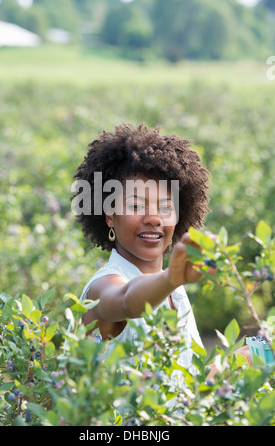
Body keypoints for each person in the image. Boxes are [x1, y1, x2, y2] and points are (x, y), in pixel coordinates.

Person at [70, 123, 250, 376]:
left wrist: (240, 360)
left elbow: (181, 387)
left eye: (166, 207)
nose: (154, 218)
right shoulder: (103, 286)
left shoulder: (175, 294)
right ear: (110, 216)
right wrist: (170, 278)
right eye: (135, 206)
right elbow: (125, 301)